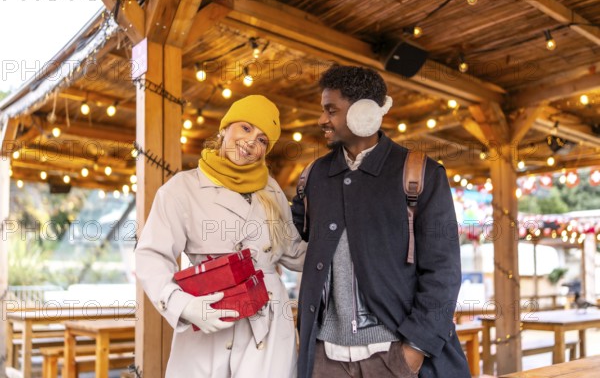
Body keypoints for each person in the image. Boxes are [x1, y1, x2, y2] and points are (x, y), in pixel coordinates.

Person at [292, 66, 470, 378]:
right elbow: (284, 243)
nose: (322, 120)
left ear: (363, 112)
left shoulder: (420, 173)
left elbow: (443, 271)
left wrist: (415, 349)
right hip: (324, 359)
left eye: (331, 110)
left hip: (395, 354)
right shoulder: (314, 176)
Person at [136, 95, 307, 377]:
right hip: (209, 311)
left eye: (263, 139)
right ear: (225, 129)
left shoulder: (272, 190)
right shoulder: (182, 188)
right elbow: (151, 256)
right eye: (247, 128)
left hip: (269, 319)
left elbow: (292, 250)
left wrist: (342, 243)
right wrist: (184, 305)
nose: (252, 142)